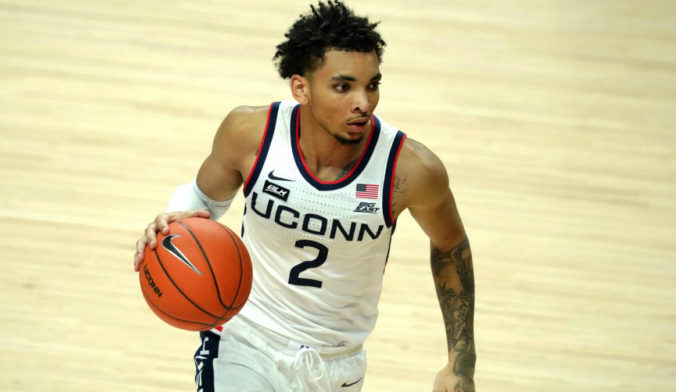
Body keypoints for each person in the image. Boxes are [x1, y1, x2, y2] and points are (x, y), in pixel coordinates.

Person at [133, 1, 475, 391]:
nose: (363, 102)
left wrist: (460, 362)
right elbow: (202, 200)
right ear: (301, 88)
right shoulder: (250, 133)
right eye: (343, 87)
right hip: (245, 342)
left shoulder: (410, 170)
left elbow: (450, 246)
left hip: (336, 363)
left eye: (372, 85)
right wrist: (172, 218)